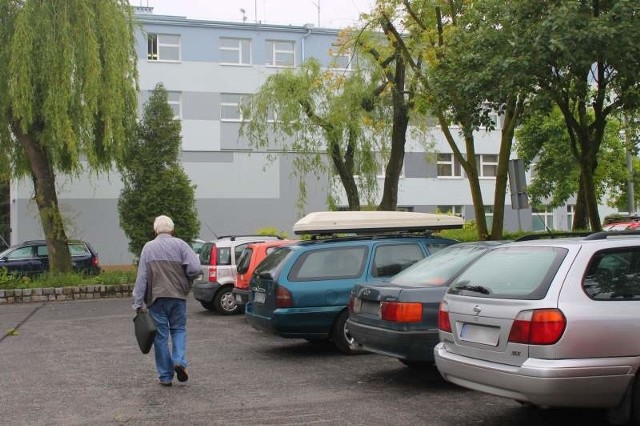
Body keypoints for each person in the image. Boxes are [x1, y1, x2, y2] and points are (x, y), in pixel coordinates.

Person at [132, 215, 201, 387]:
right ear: (172, 229)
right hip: (178, 297)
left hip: (157, 298)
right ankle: (179, 361)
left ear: (155, 230)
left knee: (161, 337)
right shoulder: (181, 245)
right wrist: (186, 278)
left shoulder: (148, 248)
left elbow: (142, 277)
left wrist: (137, 302)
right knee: (178, 329)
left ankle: (165, 376)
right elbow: (195, 268)